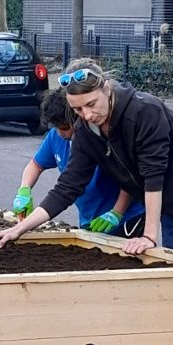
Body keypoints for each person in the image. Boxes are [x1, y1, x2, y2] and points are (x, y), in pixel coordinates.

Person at [0, 58, 173, 254]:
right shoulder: (85, 132)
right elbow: (68, 187)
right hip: (172, 211)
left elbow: (153, 176)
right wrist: (20, 228)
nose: (87, 115)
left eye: (91, 104)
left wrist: (149, 236)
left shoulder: (144, 111)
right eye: (77, 110)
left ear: (106, 89)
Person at [13, 88, 145, 235]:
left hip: (126, 217)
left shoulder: (99, 139)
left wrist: (116, 213)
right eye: (55, 127)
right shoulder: (55, 138)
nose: (59, 133)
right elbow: (36, 165)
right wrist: (24, 191)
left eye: (64, 127)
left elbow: (129, 176)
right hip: (89, 219)